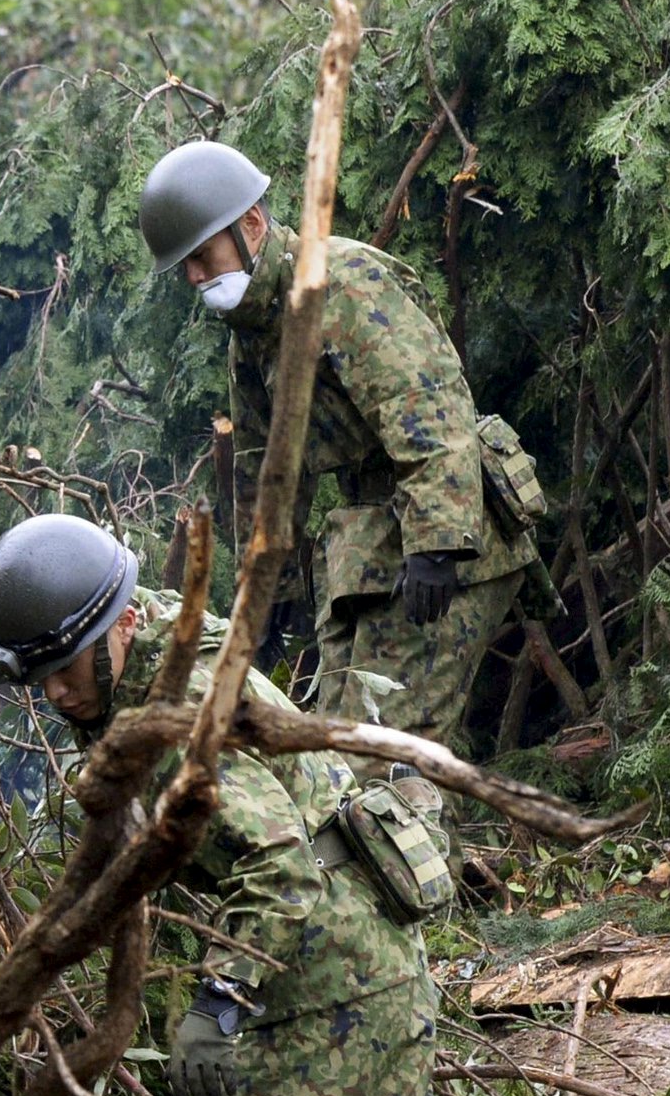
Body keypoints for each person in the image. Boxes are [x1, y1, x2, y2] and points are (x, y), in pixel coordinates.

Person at [0, 507, 438, 1096]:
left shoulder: (175, 722)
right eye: (38, 673)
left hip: (331, 984)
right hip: (386, 960)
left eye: (65, 669)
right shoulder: (127, 617)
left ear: (125, 629)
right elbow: (49, 594)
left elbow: (281, 866)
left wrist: (219, 1002)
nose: (54, 691)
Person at [138, 140, 540, 757]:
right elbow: (266, 471)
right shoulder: (254, 331)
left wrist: (435, 544)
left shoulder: (344, 286)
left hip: (452, 538)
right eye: (185, 266)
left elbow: (428, 408)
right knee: (335, 762)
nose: (194, 277)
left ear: (251, 224)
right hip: (371, 546)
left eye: (201, 256)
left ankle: (424, 848)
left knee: (384, 759)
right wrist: (266, 592)